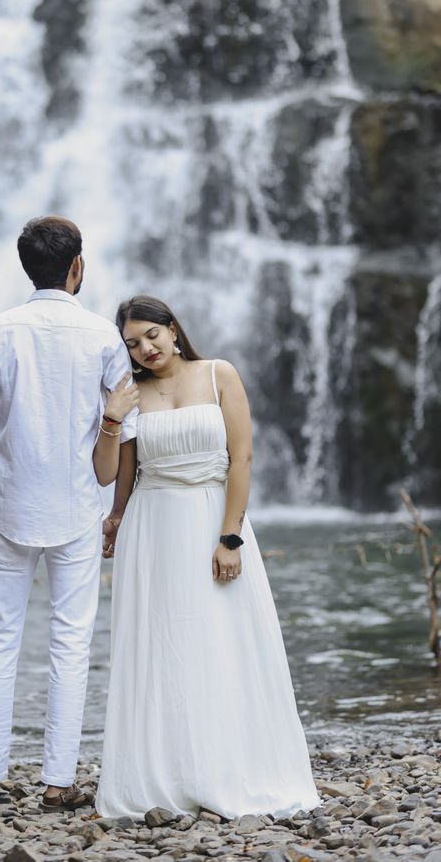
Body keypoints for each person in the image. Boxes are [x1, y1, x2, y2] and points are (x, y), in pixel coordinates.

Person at [96, 295, 320, 820]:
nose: (145, 348)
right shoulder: (129, 394)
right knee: (161, 648)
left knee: (223, 641)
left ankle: (231, 767)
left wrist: (230, 537)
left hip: (213, 520)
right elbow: (111, 476)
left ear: (173, 328)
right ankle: (163, 775)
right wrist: (111, 418)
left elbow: (241, 458)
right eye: (132, 343)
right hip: (152, 528)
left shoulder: (219, 374)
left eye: (152, 334)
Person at [0, 216, 139, 811]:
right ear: (77, 267)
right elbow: (123, 432)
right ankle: (58, 783)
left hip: (8, 508)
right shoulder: (103, 339)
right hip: (79, 508)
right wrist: (116, 512)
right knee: (71, 643)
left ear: (26, 267)